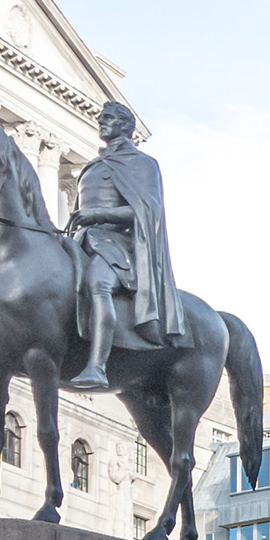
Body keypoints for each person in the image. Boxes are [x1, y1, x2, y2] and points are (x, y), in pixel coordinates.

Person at [68, 100, 187, 390]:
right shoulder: (93, 165)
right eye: (100, 117)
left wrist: (97, 215)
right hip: (83, 241)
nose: (101, 121)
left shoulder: (142, 164)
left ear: (125, 125)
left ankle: (97, 366)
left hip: (117, 245)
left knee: (98, 285)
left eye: (108, 117)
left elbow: (147, 212)